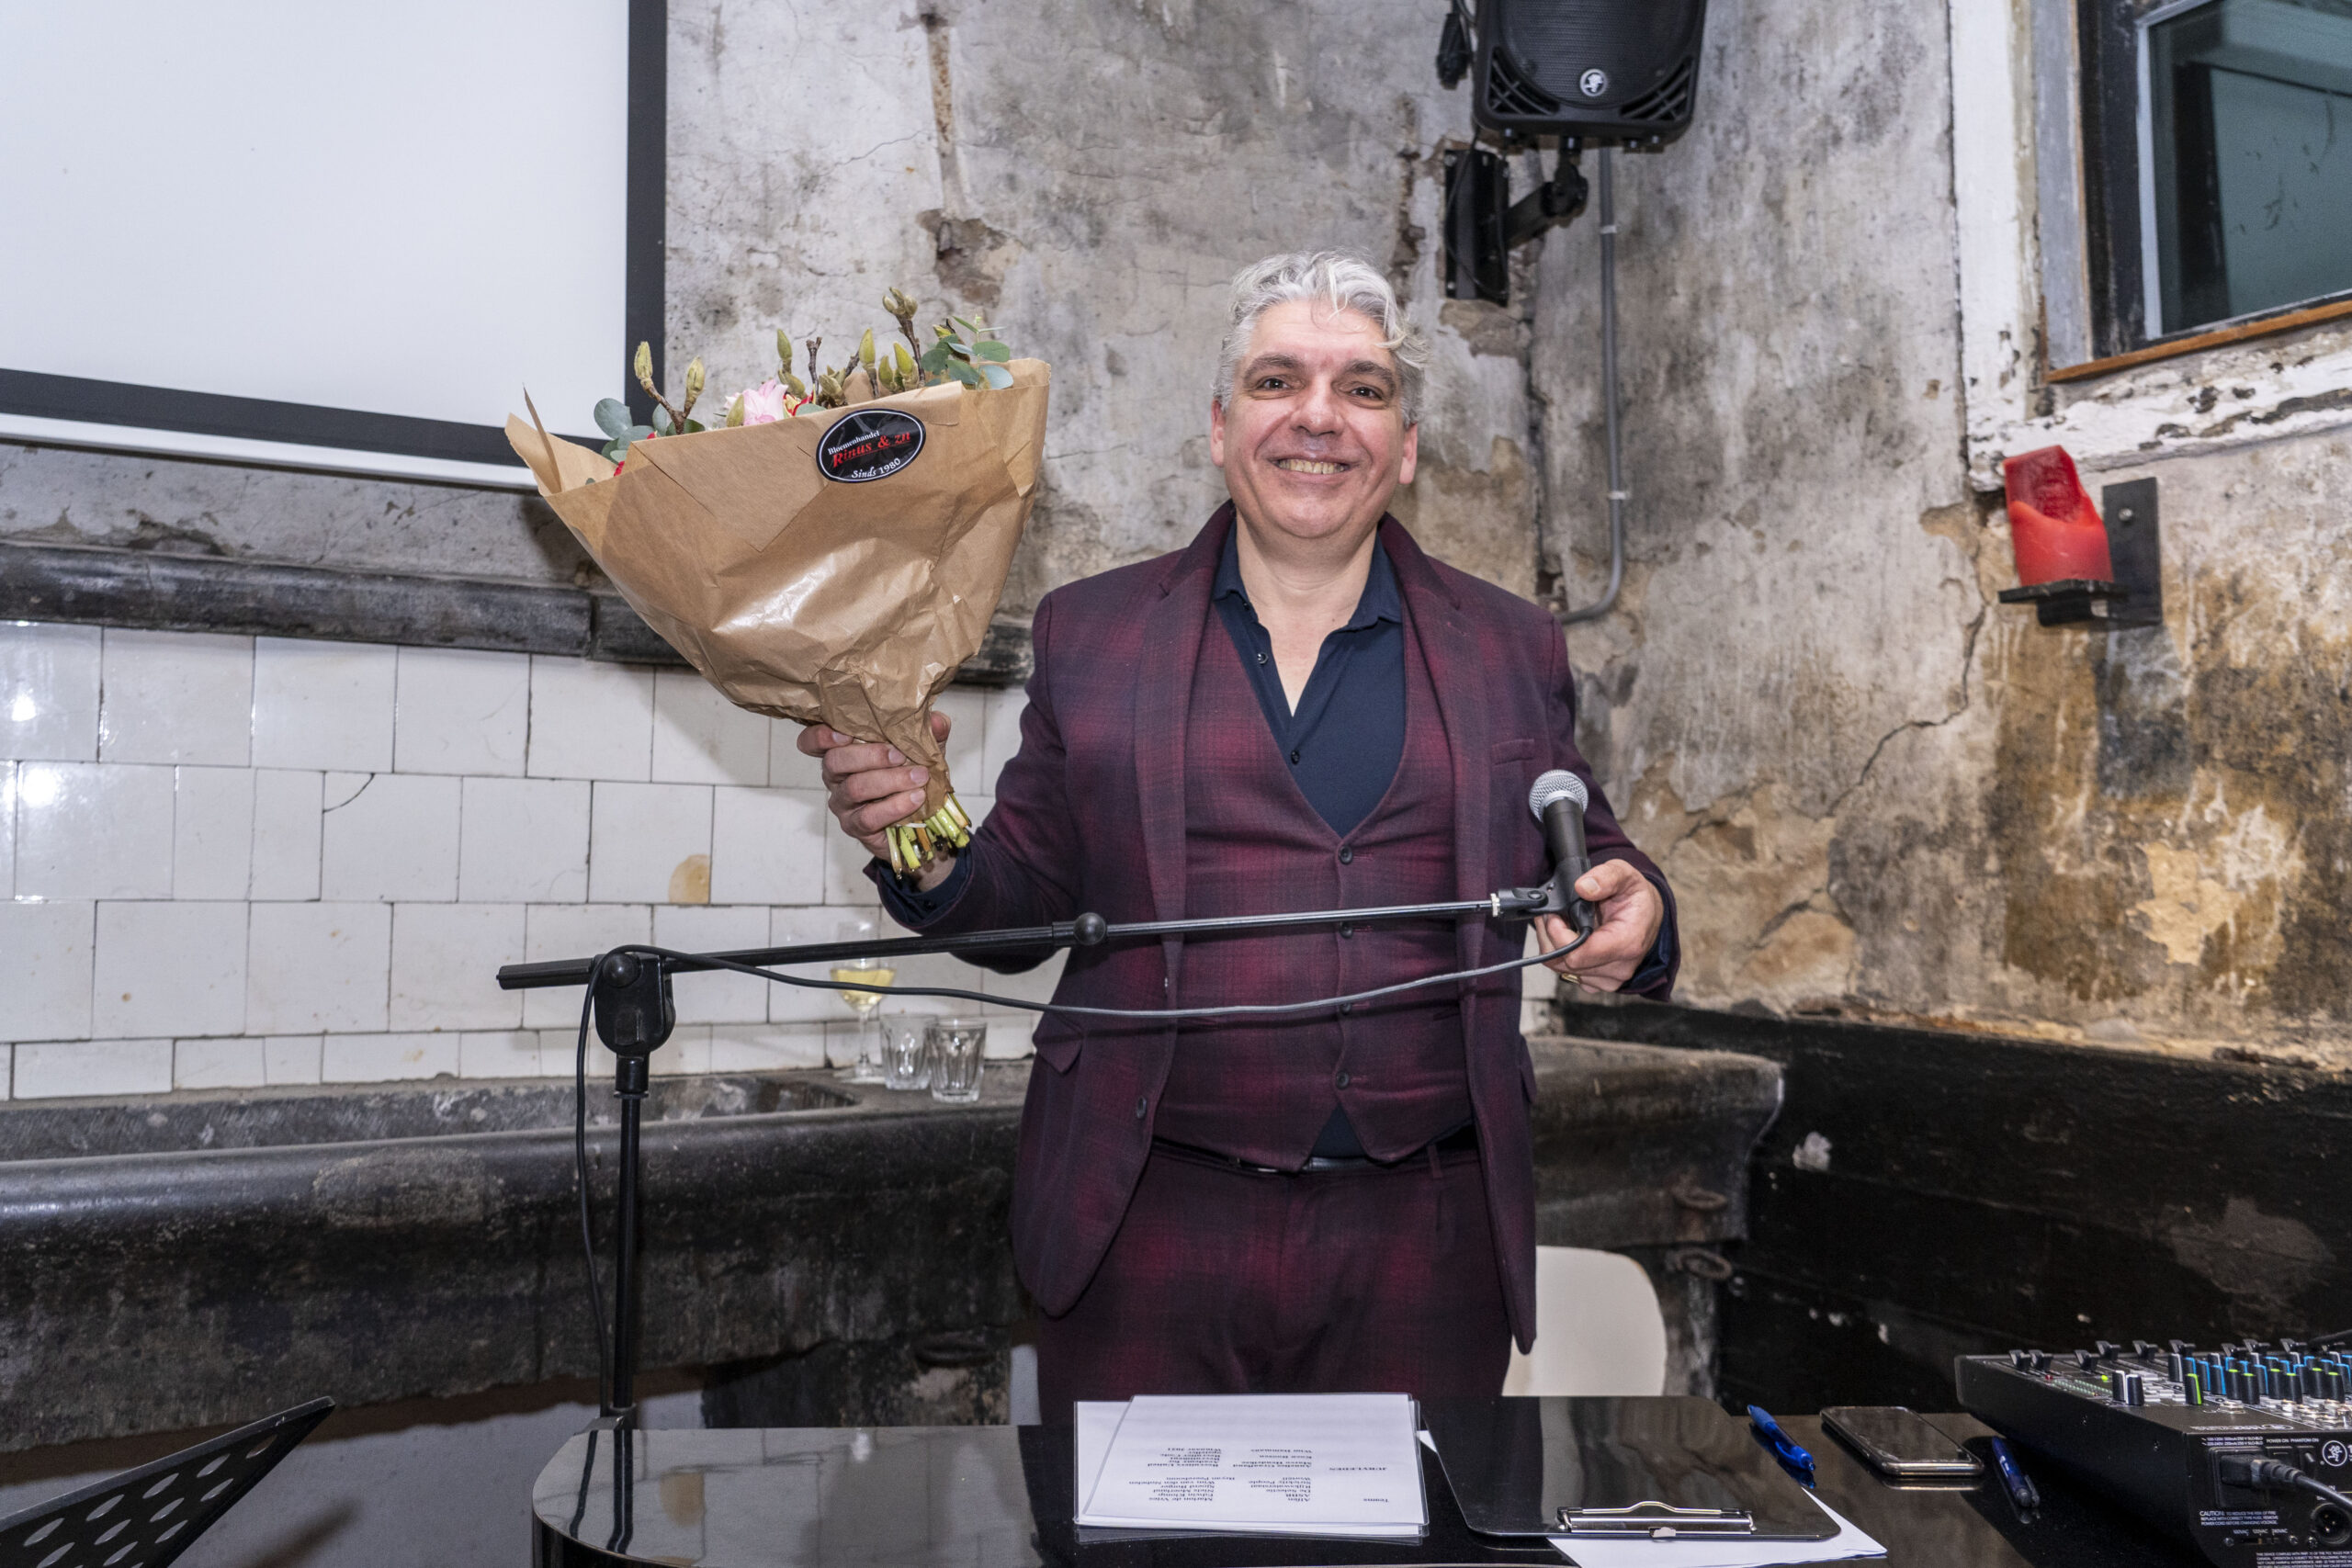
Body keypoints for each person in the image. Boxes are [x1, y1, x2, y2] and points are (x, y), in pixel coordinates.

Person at [800, 251, 1677, 1418]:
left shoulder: (1509, 645)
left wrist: (1639, 911)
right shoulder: (1094, 632)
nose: (1319, 418)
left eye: (1362, 390)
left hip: (1425, 1235)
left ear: (1405, 447)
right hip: (1148, 1221)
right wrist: (919, 831)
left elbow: (1589, 852)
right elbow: (1021, 909)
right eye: (1278, 382)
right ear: (1220, 427)